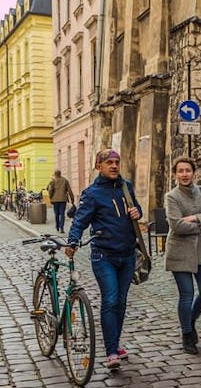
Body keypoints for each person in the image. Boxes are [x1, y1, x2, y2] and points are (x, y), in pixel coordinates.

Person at [66, 149, 142, 369]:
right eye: (109, 162)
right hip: (104, 256)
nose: (114, 166)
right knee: (110, 299)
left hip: (127, 255)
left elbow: (137, 211)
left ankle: (115, 343)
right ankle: (111, 352)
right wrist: (73, 241)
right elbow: (80, 221)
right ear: (98, 166)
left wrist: (137, 212)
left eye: (117, 162)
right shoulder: (92, 193)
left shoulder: (126, 187)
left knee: (121, 301)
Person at [163, 157, 201, 354]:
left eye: (188, 170)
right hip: (179, 251)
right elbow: (176, 225)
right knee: (186, 295)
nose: (185, 174)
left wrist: (195, 218)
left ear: (193, 173)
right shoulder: (172, 196)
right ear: (175, 174)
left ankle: (191, 319)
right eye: (180, 171)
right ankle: (187, 334)